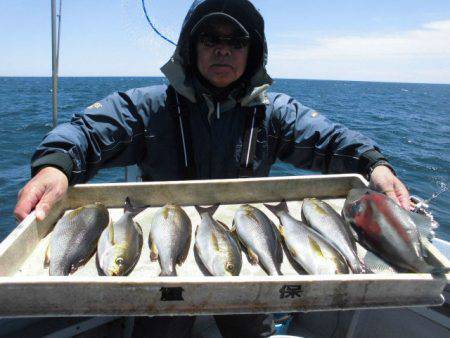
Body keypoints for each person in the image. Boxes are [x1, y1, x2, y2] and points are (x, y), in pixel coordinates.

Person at [14, 0, 410, 337]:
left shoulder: (274, 113)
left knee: (249, 325)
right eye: (211, 39)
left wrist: (374, 165)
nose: (223, 50)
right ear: (192, 47)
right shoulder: (149, 107)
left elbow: (329, 138)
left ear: (252, 52)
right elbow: (89, 131)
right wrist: (57, 166)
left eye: (235, 41)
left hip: (246, 238)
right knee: (161, 328)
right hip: (164, 251)